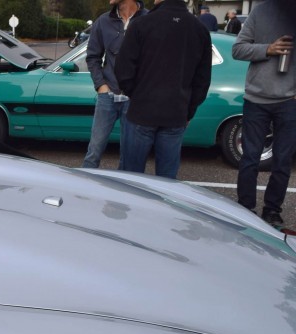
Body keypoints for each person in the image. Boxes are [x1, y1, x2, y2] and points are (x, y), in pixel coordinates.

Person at [115, 0, 211, 178]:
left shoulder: (141, 24)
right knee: (167, 182)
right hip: (176, 112)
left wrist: (137, 95)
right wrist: (189, 111)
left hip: (142, 111)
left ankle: (133, 206)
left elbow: (123, 70)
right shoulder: (199, 29)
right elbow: (202, 80)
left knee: (131, 179)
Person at [231, 0, 296, 226]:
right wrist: (267, 49)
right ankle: (246, 206)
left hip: (289, 101)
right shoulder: (261, 10)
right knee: (250, 157)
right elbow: (237, 49)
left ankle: (272, 210)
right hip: (256, 99)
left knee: (282, 161)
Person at [83, 0, 147, 169]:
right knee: (94, 151)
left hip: (134, 99)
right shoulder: (103, 21)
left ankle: (123, 193)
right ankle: (83, 192)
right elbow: (92, 57)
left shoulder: (148, 19)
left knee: (129, 156)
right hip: (107, 96)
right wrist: (101, 86)